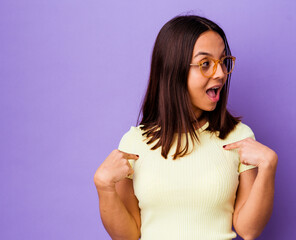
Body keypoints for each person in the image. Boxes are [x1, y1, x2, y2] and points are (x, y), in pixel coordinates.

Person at [94, 15, 278, 240]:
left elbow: (249, 230)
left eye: (223, 62)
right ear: (174, 70)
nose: (220, 73)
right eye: (206, 64)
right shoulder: (134, 143)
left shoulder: (239, 137)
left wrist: (268, 167)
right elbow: (127, 235)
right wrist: (104, 187)